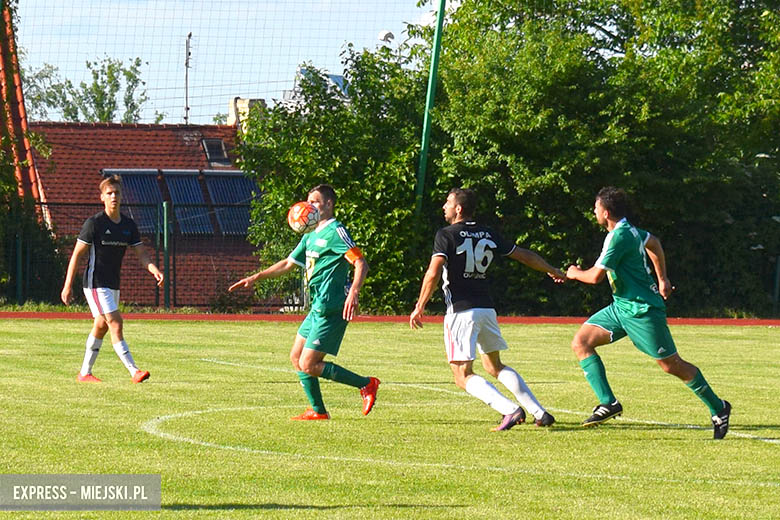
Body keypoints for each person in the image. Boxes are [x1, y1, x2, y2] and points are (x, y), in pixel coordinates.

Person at [566, 186, 731, 439]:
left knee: (671, 365)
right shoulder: (629, 230)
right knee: (581, 342)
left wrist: (573, 272)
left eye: (596, 207)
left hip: (643, 311)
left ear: (606, 212)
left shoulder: (618, 236)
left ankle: (719, 408)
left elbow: (596, 277)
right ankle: (608, 403)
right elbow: (653, 242)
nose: (594, 211)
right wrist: (662, 278)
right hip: (621, 307)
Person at [410, 188, 565, 431]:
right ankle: (540, 412)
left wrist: (419, 306)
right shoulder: (488, 233)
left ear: (459, 208)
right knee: (495, 366)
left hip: (461, 312)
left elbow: (433, 271)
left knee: (461, 375)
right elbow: (523, 254)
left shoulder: (446, 235)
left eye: (448, 202)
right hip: (486, 309)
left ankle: (510, 410)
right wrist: (551, 269)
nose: (444, 206)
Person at [229, 184, 380, 420]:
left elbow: (361, 263)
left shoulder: (336, 231)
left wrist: (354, 292)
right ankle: (318, 411)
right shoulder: (310, 234)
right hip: (317, 306)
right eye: (309, 202)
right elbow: (288, 264)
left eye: (316, 202)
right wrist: (256, 277)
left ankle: (366, 384)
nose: (310, 207)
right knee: (295, 357)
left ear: (329, 204)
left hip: (332, 306)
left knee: (309, 364)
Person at [61, 174, 163, 383]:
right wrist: (67, 285)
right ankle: (134, 371)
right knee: (115, 322)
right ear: (102, 197)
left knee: (101, 325)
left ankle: (84, 373)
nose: (114, 196)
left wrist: (153, 268)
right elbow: (77, 255)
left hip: (113, 284)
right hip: (96, 283)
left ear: (121, 196)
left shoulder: (128, 225)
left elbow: (141, 253)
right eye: (109, 193)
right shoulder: (94, 224)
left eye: (117, 192)